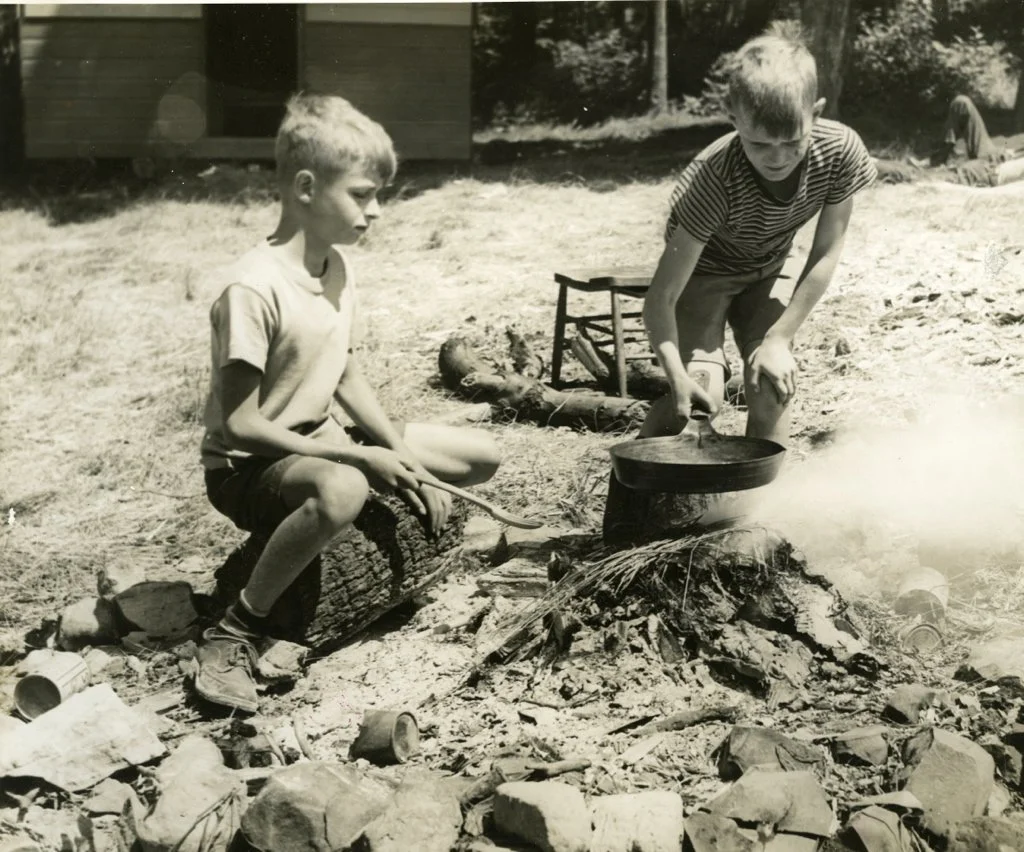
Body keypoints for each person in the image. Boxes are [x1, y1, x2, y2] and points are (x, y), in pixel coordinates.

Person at [193, 93, 501, 713]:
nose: (376, 212)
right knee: (343, 491)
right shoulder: (251, 288)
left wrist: (391, 450)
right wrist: (358, 463)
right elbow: (240, 424)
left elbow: (345, 372)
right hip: (249, 466)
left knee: (480, 456)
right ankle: (238, 628)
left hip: (321, 442)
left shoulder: (334, 265)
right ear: (305, 187)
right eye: (362, 194)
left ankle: (348, 499)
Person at [640, 30, 876, 448]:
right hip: (705, 274)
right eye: (759, 143)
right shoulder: (712, 179)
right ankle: (637, 488)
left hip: (770, 266)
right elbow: (662, 296)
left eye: (792, 141)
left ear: (816, 113)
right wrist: (675, 372)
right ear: (732, 116)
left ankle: (758, 504)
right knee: (701, 395)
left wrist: (779, 338)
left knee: (772, 382)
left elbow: (825, 252)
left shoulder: (840, 151)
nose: (778, 157)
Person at [911, 94, 1024, 187]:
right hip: (995, 147)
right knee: (962, 103)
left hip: (995, 162)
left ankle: (923, 174)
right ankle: (938, 159)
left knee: (954, 173)